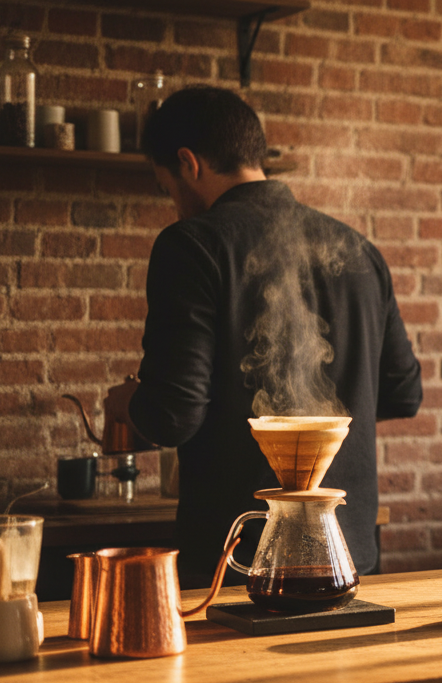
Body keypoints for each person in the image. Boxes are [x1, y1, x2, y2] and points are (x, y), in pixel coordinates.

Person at [127, 86, 423, 583]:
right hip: (347, 551)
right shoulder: (358, 249)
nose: (174, 204)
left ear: (188, 163)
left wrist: (131, 406)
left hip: (241, 560)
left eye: (167, 187)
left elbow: (172, 415)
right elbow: (403, 393)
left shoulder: (192, 244)